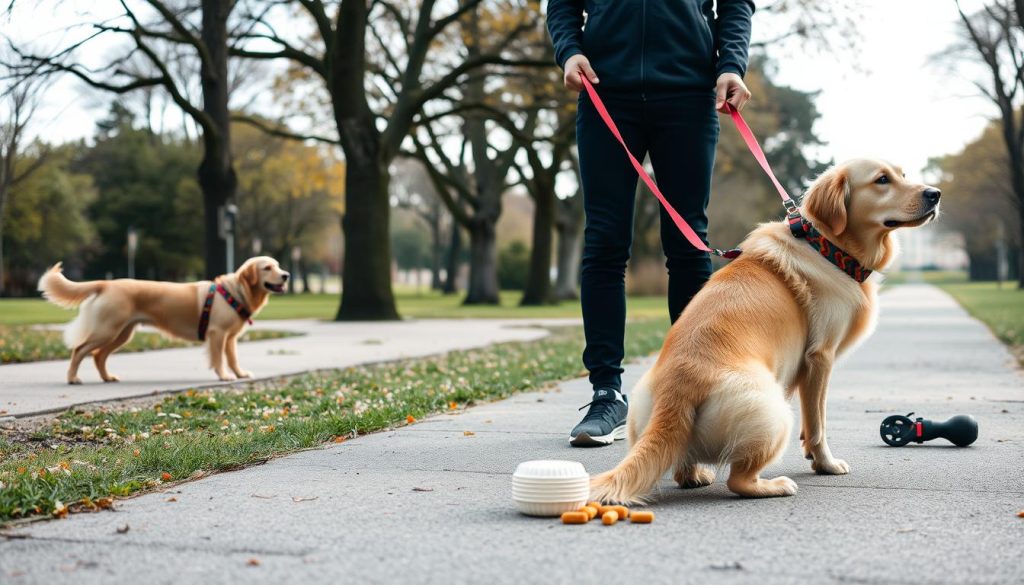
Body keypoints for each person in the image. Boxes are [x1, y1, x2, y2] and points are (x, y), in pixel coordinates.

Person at [547, 0, 755, 446]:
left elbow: (735, 6)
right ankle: (607, 395)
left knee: (688, 246)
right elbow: (562, 4)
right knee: (603, 244)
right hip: (606, 93)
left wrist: (731, 64)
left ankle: (695, 392)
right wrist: (568, 51)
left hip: (687, 96)